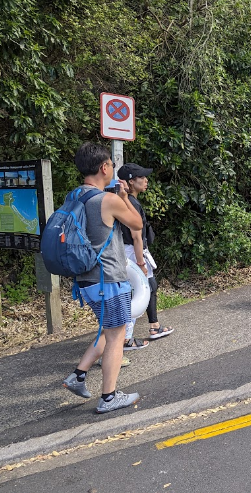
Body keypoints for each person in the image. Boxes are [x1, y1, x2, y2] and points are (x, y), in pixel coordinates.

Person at [62, 142, 143, 414]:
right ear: (104, 167)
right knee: (117, 335)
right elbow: (136, 223)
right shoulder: (107, 200)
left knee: (110, 330)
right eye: (110, 165)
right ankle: (109, 397)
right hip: (108, 278)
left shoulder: (74, 197)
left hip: (85, 280)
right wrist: (122, 197)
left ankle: (79, 375)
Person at [118, 162, 174, 347]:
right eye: (142, 177)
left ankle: (154, 326)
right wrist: (141, 262)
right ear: (131, 182)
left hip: (132, 251)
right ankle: (126, 338)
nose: (146, 180)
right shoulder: (129, 203)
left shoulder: (126, 201)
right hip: (133, 252)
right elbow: (136, 235)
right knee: (137, 291)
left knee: (149, 286)